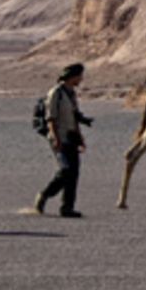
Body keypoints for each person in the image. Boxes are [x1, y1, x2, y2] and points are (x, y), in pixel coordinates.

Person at [28, 62, 91, 218]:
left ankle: (67, 207)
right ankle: (44, 195)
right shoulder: (56, 93)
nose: (81, 79)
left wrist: (80, 138)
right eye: (79, 76)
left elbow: (74, 118)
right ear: (72, 76)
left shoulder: (71, 94)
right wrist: (55, 139)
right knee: (66, 169)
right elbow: (51, 118)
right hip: (59, 137)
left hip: (71, 137)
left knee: (74, 172)